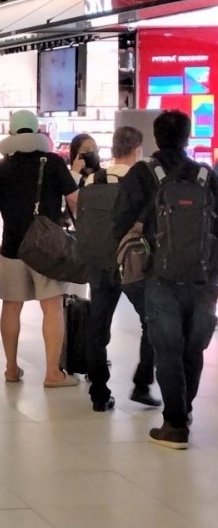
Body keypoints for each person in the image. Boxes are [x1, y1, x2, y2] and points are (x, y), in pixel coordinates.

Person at [114, 110, 218, 448]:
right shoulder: (206, 175)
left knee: (167, 348)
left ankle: (174, 425)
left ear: (156, 138)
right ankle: (184, 411)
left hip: (159, 276)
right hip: (204, 277)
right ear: (188, 137)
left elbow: (119, 223)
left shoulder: (142, 173)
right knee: (194, 347)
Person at [0, 110, 80, 387]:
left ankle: (11, 369)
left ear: (11, 133)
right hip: (47, 248)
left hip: (12, 246)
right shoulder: (52, 162)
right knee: (52, 307)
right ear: (38, 132)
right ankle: (52, 373)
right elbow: (74, 199)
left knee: (11, 307)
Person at [85, 125, 159, 413]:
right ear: (137, 149)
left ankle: (99, 393)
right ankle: (142, 383)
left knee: (97, 327)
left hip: (99, 261)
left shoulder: (93, 179)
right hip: (132, 262)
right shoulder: (142, 180)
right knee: (151, 322)